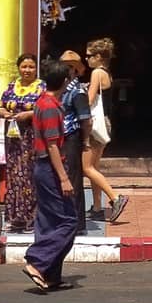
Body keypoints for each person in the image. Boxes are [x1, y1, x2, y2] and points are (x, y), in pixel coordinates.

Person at [22, 63, 77, 293]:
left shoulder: (45, 102)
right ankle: (37, 260)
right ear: (64, 81)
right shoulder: (50, 107)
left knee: (47, 221)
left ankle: (51, 275)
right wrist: (64, 178)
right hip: (50, 168)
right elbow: (53, 146)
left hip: (43, 167)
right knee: (69, 220)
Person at [83, 37, 128, 225]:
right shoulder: (106, 73)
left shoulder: (96, 73)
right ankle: (96, 207)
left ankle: (115, 197)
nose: (87, 59)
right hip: (105, 122)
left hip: (95, 124)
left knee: (86, 167)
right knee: (94, 166)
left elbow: (89, 100)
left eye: (89, 56)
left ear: (99, 57)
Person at [0, 53, 42, 232]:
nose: (27, 70)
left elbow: (45, 108)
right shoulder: (11, 87)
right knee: (13, 175)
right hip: (13, 138)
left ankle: (31, 218)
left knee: (29, 176)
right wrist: (5, 113)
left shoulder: (41, 88)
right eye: (24, 66)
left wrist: (29, 114)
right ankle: (15, 218)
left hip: (31, 138)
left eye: (31, 67)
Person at [58, 49, 92, 235]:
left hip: (71, 136)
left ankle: (77, 223)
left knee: (73, 179)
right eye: (65, 66)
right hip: (56, 137)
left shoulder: (77, 91)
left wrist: (85, 141)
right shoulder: (58, 88)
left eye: (71, 67)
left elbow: (85, 119)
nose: (67, 70)